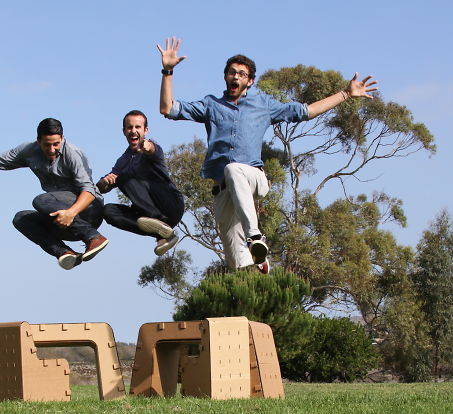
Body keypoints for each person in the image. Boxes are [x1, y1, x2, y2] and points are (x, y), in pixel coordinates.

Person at [157, 37, 378, 272]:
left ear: (250, 81)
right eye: (232, 72)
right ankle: (258, 260)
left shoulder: (263, 105)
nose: (236, 77)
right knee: (235, 262)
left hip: (253, 178)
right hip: (223, 190)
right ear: (225, 77)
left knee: (233, 169)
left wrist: (345, 93)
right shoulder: (211, 105)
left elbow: (308, 111)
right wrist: (167, 71)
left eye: (242, 74)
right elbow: (167, 108)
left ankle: (255, 237)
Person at [0, 118, 108, 270]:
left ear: (62, 139)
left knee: (42, 200)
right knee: (21, 219)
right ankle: (65, 253)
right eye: (47, 145)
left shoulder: (73, 153)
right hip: (64, 220)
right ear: (38, 141)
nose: (52, 150)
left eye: (56, 144)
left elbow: (89, 190)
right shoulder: (29, 151)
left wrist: (71, 213)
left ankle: (94, 238)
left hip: (88, 212)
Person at [98, 110, 185, 256]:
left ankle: (158, 222)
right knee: (107, 211)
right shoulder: (122, 161)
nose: (133, 131)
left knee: (124, 177)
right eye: (129, 127)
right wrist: (103, 183)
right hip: (149, 214)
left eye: (137, 127)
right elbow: (103, 187)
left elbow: (153, 150)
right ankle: (163, 234)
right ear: (124, 131)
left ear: (145, 130)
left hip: (170, 205)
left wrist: (148, 147)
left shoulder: (152, 149)